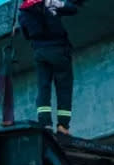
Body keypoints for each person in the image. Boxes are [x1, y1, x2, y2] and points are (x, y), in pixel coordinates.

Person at [18, 0, 81, 135]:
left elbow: (26, 35)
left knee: (43, 88)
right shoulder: (50, 3)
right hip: (59, 50)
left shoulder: (23, 13)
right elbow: (73, 9)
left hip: (40, 53)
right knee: (64, 88)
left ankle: (45, 123)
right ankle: (63, 126)